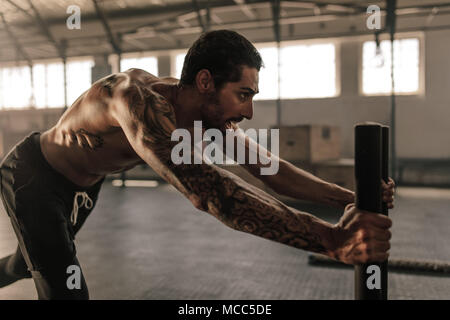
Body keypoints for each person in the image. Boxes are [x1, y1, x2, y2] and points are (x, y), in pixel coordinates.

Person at [0, 30, 395, 300]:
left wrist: (352, 197)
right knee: (64, 285)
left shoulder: (204, 113)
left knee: (25, 262)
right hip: (34, 176)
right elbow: (212, 195)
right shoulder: (136, 102)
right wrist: (332, 240)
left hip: (82, 186)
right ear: (205, 81)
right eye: (243, 94)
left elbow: (266, 168)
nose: (249, 111)